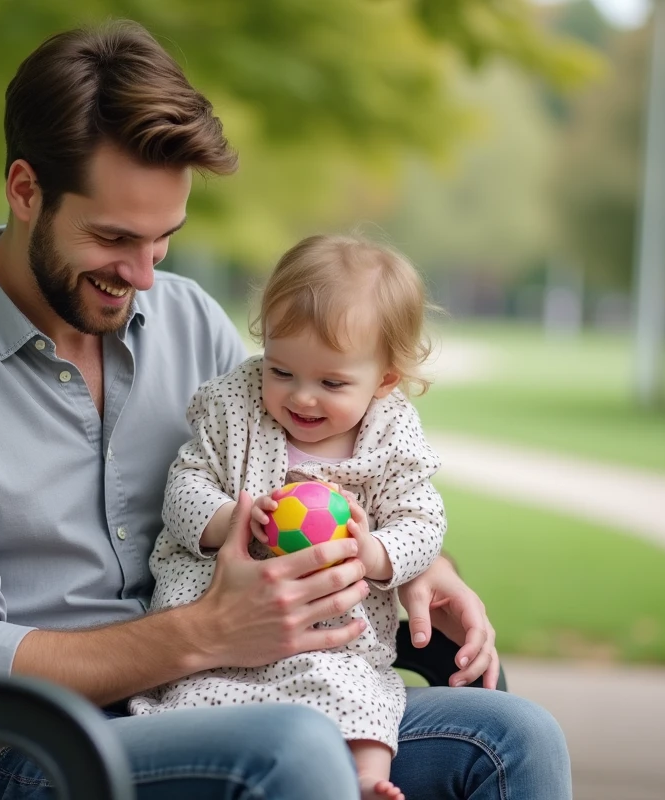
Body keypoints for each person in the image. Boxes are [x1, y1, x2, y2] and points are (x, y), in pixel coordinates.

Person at [0, 20, 571, 800]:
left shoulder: (187, 321)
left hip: (243, 694)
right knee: (292, 751)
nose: (143, 276)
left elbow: (320, 475)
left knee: (514, 739)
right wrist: (205, 633)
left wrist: (422, 571)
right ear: (24, 190)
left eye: (163, 240)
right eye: (115, 238)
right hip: (46, 749)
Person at [129, 234, 449, 800]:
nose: (301, 398)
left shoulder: (391, 437)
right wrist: (231, 520)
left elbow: (423, 520)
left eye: (331, 383)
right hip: (218, 629)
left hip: (332, 640)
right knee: (195, 696)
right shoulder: (234, 407)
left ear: (384, 379)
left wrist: (375, 552)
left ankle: (365, 780)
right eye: (281, 371)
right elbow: (184, 485)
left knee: (360, 695)